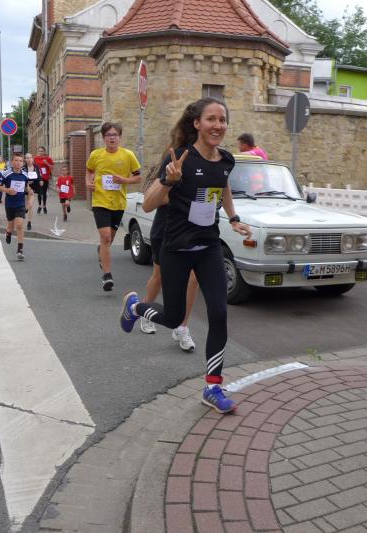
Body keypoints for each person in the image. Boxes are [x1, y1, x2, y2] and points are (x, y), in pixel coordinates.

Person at [118, 97, 252, 414]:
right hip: (176, 248)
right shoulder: (179, 157)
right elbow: (148, 204)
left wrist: (234, 218)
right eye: (211, 119)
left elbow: (223, 186)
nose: (218, 125)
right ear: (197, 123)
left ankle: (213, 387)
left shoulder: (226, 159)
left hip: (208, 246)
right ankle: (135, 307)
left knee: (219, 313)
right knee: (173, 318)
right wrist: (169, 180)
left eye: (222, 119)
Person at [138, 170, 199, 352]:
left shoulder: (202, 168)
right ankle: (146, 312)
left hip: (190, 233)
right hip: (164, 231)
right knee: (159, 276)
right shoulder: (169, 167)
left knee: (193, 278)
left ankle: (182, 327)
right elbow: (153, 199)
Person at [86, 122, 142, 291]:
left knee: (108, 239)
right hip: (100, 201)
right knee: (105, 237)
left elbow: (138, 177)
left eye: (115, 135)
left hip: (118, 203)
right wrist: (88, 182)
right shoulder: (96, 155)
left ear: (120, 137)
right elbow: (89, 170)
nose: (112, 138)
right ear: (104, 138)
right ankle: (107, 275)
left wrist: (124, 180)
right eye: (108, 135)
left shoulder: (128, 155)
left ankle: (101, 252)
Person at [0, 153, 33, 261]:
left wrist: (29, 196)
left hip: (20, 204)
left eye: (20, 161)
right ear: (12, 162)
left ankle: (20, 250)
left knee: (19, 225)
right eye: (16, 160)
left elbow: (26, 188)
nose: (18, 163)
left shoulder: (25, 175)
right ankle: (8, 232)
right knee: (11, 227)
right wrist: (7, 190)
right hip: (9, 204)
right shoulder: (6, 174)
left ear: (23, 163)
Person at [34, 146, 54, 214]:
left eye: (42, 151)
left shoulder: (48, 158)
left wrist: (46, 163)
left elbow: (52, 167)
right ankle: (39, 206)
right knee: (39, 192)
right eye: (39, 151)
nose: (40, 152)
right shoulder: (35, 158)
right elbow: (33, 166)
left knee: (44, 192)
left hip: (45, 177)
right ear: (38, 152)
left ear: (44, 152)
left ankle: (44, 206)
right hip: (38, 177)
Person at [23, 153, 40, 231]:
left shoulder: (36, 167)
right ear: (25, 159)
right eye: (27, 158)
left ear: (32, 159)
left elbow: (39, 176)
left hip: (33, 188)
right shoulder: (23, 168)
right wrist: (27, 183)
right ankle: (25, 208)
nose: (29, 159)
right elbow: (21, 178)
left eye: (30, 157)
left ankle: (29, 222)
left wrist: (40, 181)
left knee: (30, 205)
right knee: (27, 204)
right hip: (25, 188)